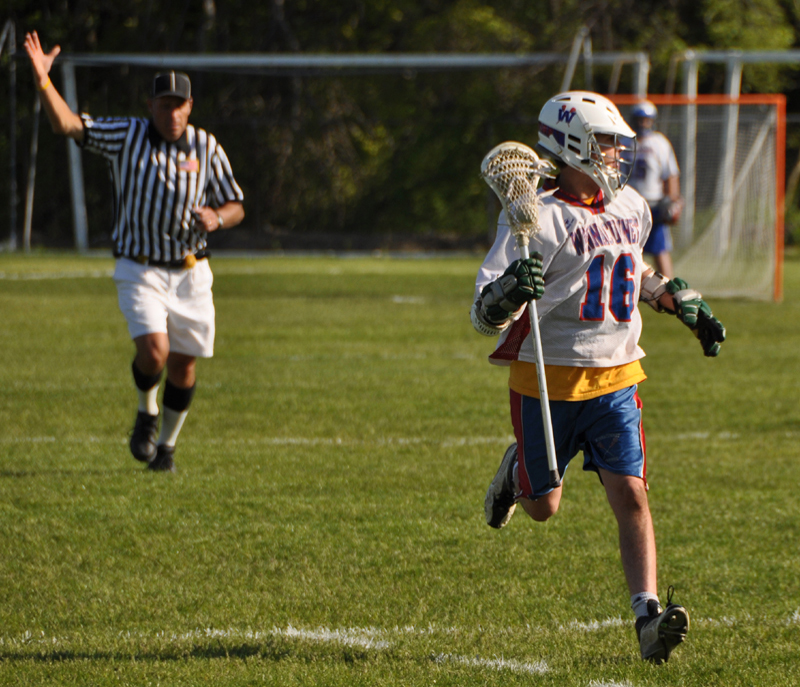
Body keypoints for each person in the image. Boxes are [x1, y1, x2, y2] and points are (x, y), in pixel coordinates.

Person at [471, 91, 726, 663]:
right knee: (545, 507)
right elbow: (484, 311)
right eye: (606, 147)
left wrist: (681, 302)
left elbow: (633, 273)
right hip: (549, 380)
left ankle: (647, 617)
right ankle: (516, 472)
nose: (616, 157)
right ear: (571, 149)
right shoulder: (533, 219)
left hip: (616, 376)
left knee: (631, 493)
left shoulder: (631, 206)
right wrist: (511, 290)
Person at [24, 31, 245, 473]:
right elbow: (68, 126)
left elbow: (237, 205)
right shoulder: (128, 135)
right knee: (155, 353)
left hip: (190, 271)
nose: (172, 112)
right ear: (150, 107)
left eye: (179, 104)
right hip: (140, 267)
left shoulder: (206, 146)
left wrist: (217, 218)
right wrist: (44, 82)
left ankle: (166, 448)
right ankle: (147, 410)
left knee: (184, 365)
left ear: (190, 106)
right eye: (164, 104)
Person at [627, 100, 682, 278]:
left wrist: (672, 200)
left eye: (646, 120)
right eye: (639, 119)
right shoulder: (624, 141)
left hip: (654, 203)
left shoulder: (659, 143)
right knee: (627, 248)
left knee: (660, 249)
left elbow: (670, 174)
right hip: (628, 205)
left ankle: (669, 288)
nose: (643, 124)